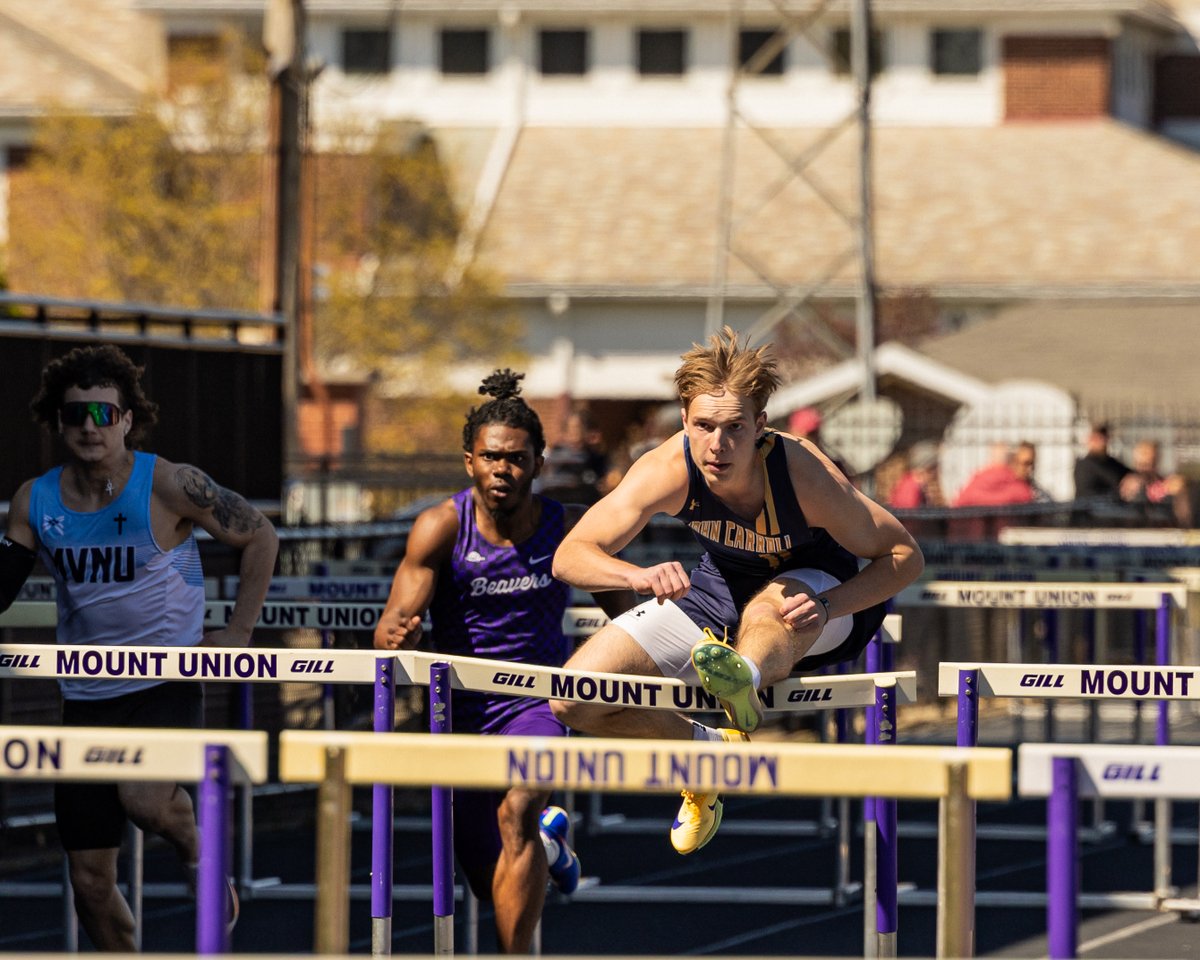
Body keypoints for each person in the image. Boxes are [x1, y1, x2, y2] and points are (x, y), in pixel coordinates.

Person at [547, 327, 924, 856]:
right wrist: (634, 575)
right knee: (575, 698)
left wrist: (830, 604)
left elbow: (905, 556)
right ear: (684, 421)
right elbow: (571, 555)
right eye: (703, 427)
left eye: (734, 429)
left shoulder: (804, 474)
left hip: (819, 597)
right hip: (718, 593)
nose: (717, 446)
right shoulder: (667, 468)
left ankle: (740, 681)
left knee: (770, 605)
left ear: (760, 427)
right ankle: (709, 751)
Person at [0, 344, 278, 951]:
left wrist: (238, 632)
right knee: (90, 883)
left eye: (105, 414)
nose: (90, 428)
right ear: (58, 423)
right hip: (86, 694)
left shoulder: (171, 483)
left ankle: (201, 852)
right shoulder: (35, 501)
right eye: (77, 416)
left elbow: (261, 536)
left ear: (128, 418)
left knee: (146, 799)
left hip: (163, 682)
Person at [373, 370, 629, 953]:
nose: (502, 470)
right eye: (490, 457)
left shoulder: (567, 530)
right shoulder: (441, 526)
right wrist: (398, 635)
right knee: (490, 879)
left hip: (537, 705)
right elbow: (391, 626)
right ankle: (554, 847)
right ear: (469, 461)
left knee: (517, 812)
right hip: (459, 713)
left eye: (516, 458)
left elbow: (628, 616)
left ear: (538, 462)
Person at [536, 408, 613, 506]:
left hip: (584, 506)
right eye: (570, 428)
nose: (573, 432)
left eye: (578, 428)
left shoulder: (595, 457)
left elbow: (605, 482)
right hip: (557, 503)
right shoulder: (555, 454)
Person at [1074, 423, 1130, 502]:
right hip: (1090, 510)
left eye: (1103, 438)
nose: (1101, 442)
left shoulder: (1109, 461)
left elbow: (1126, 473)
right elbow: (1114, 479)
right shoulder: (1085, 464)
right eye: (1097, 439)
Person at [887, 441, 943, 510]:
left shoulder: (910, 481)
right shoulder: (910, 489)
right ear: (927, 469)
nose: (938, 472)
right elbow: (910, 518)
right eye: (935, 467)